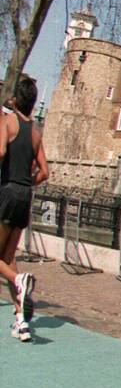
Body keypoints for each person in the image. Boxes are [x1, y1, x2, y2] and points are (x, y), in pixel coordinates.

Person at [0, 75, 47, 342]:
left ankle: (19, 282)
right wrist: (25, 182)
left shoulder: (8, 122)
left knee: (3, 263)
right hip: (24, 195)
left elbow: (0, 154)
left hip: (6, 192)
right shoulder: (37, 131)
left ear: (15, 100)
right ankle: (21, 321)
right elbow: (45, 172)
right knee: (9, 259)